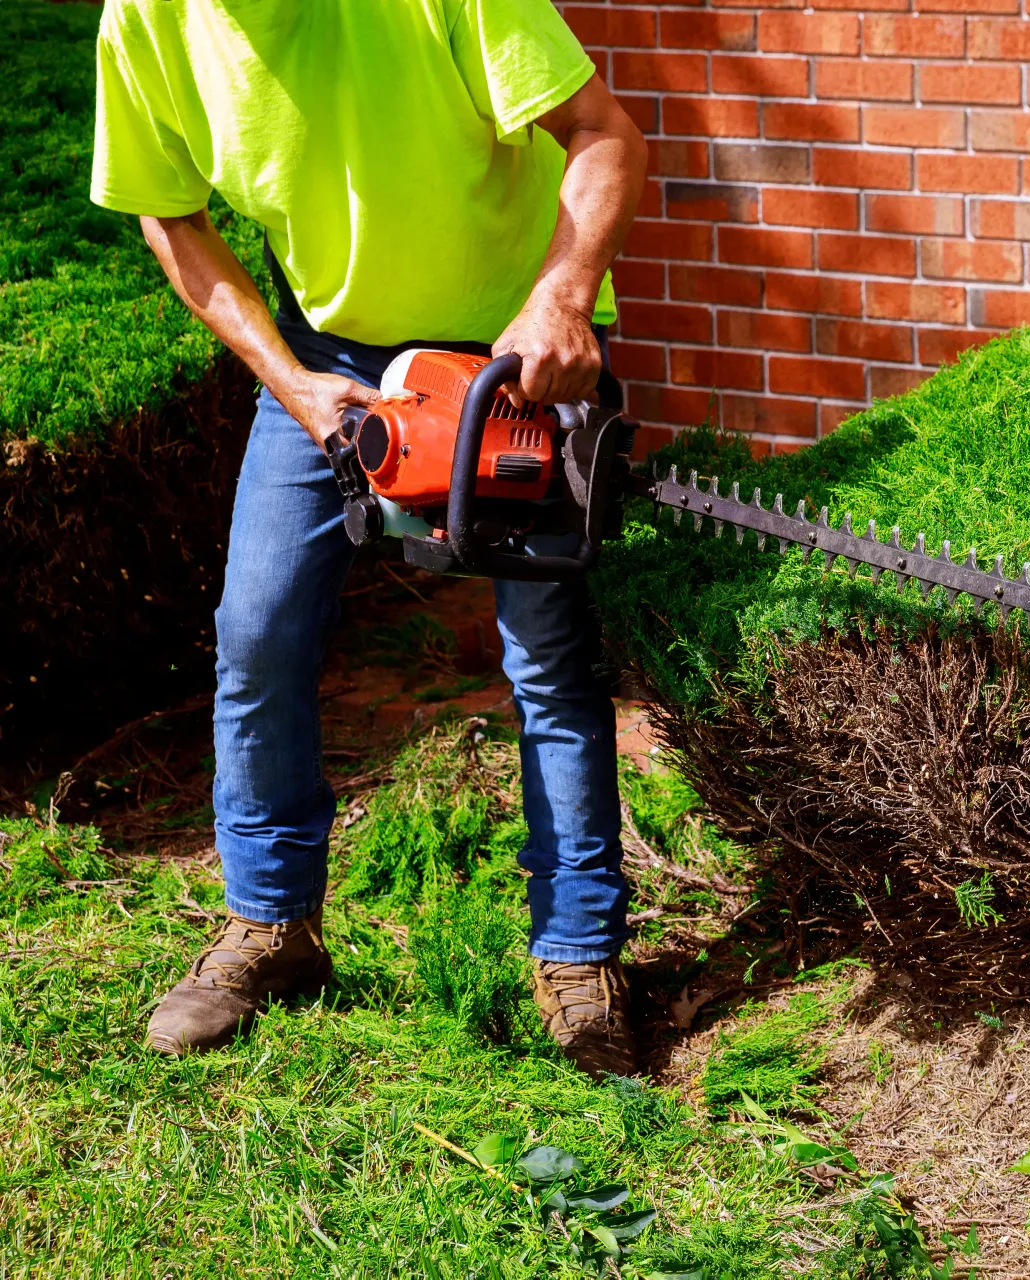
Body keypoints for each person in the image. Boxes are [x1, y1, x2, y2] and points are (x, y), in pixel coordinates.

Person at [90, 0, 649, 1077]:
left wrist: (562, 299)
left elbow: (604, 131)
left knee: (547, 656)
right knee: (256, 627)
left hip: (514, 344)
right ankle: (271, 923)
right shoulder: (144, 18)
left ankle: (579, 954)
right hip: (326, 355)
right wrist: (292, 383)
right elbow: (170, 216)